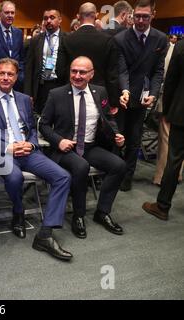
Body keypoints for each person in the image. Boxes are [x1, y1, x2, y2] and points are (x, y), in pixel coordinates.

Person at [0, 58, 72, 261]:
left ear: (16, 76)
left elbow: (32, 129)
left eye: (10, 74)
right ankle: (18, 211)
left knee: (63, 177)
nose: (5, 77)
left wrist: (32, 144)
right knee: (14, 177)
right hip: (0, 153)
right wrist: (7, 147)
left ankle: (45, 234)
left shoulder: (24, 99)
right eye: (2, 73)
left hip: (28, 152)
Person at [40, 56, 126, 239]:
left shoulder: (100, 92)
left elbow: (108, 118)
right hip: (65, 149)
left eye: (82, 72)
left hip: (89, 146)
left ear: (91, 74)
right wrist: (59, 141)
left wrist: (116, 135)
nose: (77, 75)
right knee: (81, 166)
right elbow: (44, 125)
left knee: (119, 166)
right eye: (74, 71)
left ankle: (102, 212)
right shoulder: (57, 94)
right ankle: (78, 216)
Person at [114, 0, 168, 191]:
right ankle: (114, 172)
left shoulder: (161, 39)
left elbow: (158, 72)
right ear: (131, 15)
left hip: (142, 98)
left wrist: (153, 94)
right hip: (122, 95)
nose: (141, 20)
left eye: (145, 16)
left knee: (134, 139)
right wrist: (125, 90)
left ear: (153, 15)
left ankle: (127, 176)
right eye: (137, 16)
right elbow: (121, 70)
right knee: (117, 136)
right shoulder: (120, 39)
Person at [142, 39, 184, 221]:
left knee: (173, 160)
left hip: (181, 112)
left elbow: (171, 79)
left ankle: (163, 205)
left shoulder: (182, 46)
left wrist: (165, 109)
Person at [62, 2, 120, 111]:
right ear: (96, 15)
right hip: (99, 95)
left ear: (78, 16)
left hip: (71, 93)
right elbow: (112, 74)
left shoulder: (67, 39)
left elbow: (62, 70)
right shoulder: (107, 40)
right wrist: (113, 101)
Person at [24, 9, 67, 115]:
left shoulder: (67, 39)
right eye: (45, 18)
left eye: (52, 18)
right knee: (41, 118)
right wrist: (28, 94)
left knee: (59, 117)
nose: (48, 21)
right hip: (41, 87)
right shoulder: (36, 40)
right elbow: (29, 68)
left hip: (59, 86)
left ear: (60, 20)